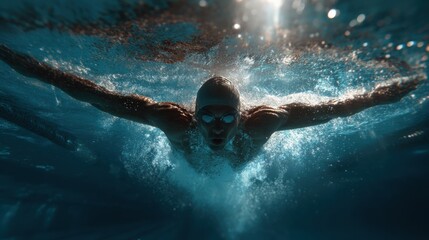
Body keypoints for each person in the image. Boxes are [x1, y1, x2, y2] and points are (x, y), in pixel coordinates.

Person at [0, 44, 425, 169]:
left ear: (241, 116)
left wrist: (392, 91)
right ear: (193, 113)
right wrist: (26, 65)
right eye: (207, 114)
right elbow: (91, 94)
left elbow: (340, 108)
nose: (216, 124)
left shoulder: (264, 124)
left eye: (226, 115)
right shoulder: (170, 120)